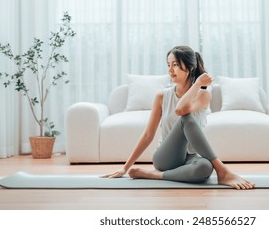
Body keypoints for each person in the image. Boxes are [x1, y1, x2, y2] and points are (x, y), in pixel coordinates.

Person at [101, 46, 255, 190]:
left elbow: (183, 107)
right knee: (186, 119)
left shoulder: (204, 95)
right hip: (166, 158)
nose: (170, 70)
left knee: (205, 168)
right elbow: (151, 132)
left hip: (190, 158)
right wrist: (125, 167)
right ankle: (223, 171)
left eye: (175, 65)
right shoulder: (162, 96)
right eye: (168, 65)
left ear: (189, 67)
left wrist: (198, 84)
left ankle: (152, 175)